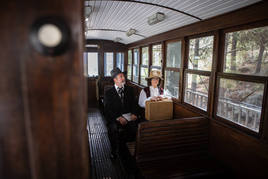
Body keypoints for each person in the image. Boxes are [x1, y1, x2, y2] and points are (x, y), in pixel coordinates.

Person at [104, 67, 138, 159]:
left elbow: (134, 104)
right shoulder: (108, 93)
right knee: (113, 128)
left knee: (136, 127)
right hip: (115, 118)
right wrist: (118, 117)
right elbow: (108, 110)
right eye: (121, 76)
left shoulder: (130, 90)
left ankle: (129, 151)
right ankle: (114, 151)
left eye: (123, 76)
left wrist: (134, 113)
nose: (124, 78)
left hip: (129, 117)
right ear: (115, 79)